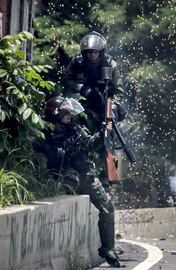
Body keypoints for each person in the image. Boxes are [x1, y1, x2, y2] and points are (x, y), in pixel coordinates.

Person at [33, 96, 121, 267]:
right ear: (56, 115)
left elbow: (88, 144)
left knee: (108, 208)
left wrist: (104, 133)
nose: (69, 117)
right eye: (66, 114)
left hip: (86, 175)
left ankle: (108, 248)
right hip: (64, 179)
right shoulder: (44, 134)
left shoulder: (74, 129)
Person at [63, 31, 126, 189]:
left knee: (107, 138)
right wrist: (81, 88)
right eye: (89, 52)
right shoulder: (77, 62)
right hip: (81, 105)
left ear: (101, 52)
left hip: (103, 105)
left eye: (95, 52)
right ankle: (72, 171)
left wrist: (112, 109)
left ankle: (108, 178)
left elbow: (119, 92)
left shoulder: (110, 64)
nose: (92, 55)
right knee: (74, 136)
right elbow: (66, 81)